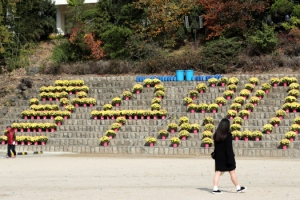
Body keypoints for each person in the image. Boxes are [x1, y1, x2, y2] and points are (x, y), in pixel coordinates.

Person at [212, 118, 246, 194]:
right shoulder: (228, 135)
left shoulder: (216, 135)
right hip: (227, 157)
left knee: (218, 172)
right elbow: (229, 149)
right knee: (232, 172)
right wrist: (231, 159)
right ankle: (238, 187)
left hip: (219, 157)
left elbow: (216, 148)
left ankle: (215, 188)